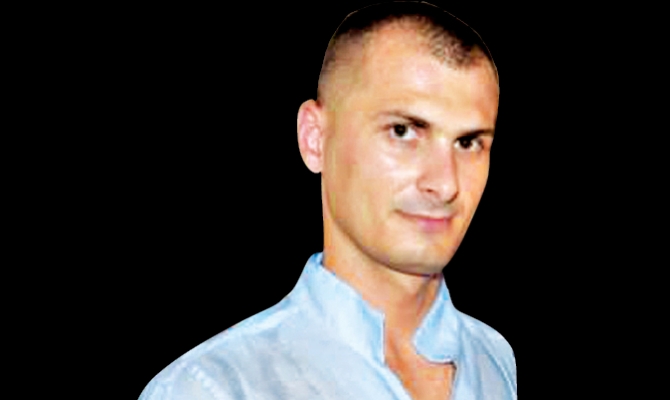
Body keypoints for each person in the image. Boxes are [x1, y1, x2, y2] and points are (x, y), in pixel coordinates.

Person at [139, 1, 515, 399]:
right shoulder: (213, 389)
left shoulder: (494, 359)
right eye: (402, 131)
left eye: (468, 142)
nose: (445, 183)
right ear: (315, 139)